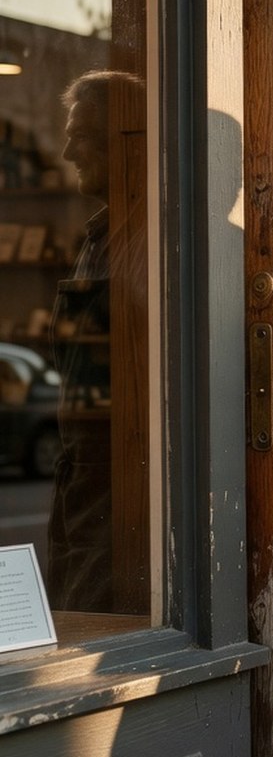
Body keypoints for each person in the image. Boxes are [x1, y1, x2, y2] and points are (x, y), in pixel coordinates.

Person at [45, 69, 144, 612]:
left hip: (125, 473)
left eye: (80, 136)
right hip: (83, 467)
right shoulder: (103, 234)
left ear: (126, 140)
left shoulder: (155, 235)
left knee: (101, 618)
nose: (66, 153)